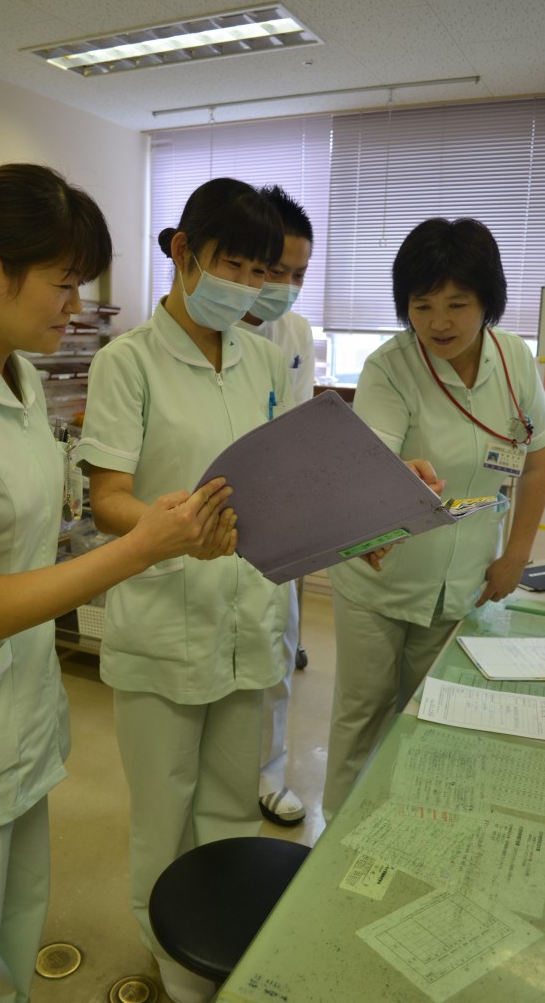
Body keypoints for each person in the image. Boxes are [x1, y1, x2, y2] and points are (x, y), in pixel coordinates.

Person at [0, 163, 233, 1003]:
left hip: (21, 704)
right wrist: (146, 546)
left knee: (16, 922)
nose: (75, 306)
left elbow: (39, 541)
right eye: (64, 283)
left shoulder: (21, 377)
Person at [75, 177, 293, 1003]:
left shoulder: (266, 359)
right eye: (230, 264)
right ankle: (172, 972)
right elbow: (108, 497)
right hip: (165, 619)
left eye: (256, 270)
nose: (245, 284)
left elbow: (289, 477)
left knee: (232, 807)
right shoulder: (125, 361)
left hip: (248, 614)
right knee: (164, 818)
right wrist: (176, 527)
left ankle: (223, 961)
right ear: (182, 253)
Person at [323, 217, 545, 821]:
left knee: (436, 714)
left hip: (469, 581)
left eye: (457, 303)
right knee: (363, 717)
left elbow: (535, 462)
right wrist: (400, 475)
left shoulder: (514, 362)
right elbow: (371, 461)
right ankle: (337, 846)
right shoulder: (390, 367)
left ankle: (411, 830)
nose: (438, 322)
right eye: (422, 305)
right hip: (383, 580)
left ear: (488, 301)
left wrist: (515, 556)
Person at [236, 184, 314, 826]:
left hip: (277, 522)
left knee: (277, 657)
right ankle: (224, 779)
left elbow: (299, 428)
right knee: (221, 671)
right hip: (209, 523)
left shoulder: (294, 331)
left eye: (299, 274)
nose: (285, 286)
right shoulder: (210, 329)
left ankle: (268, 775)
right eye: (275, 270)